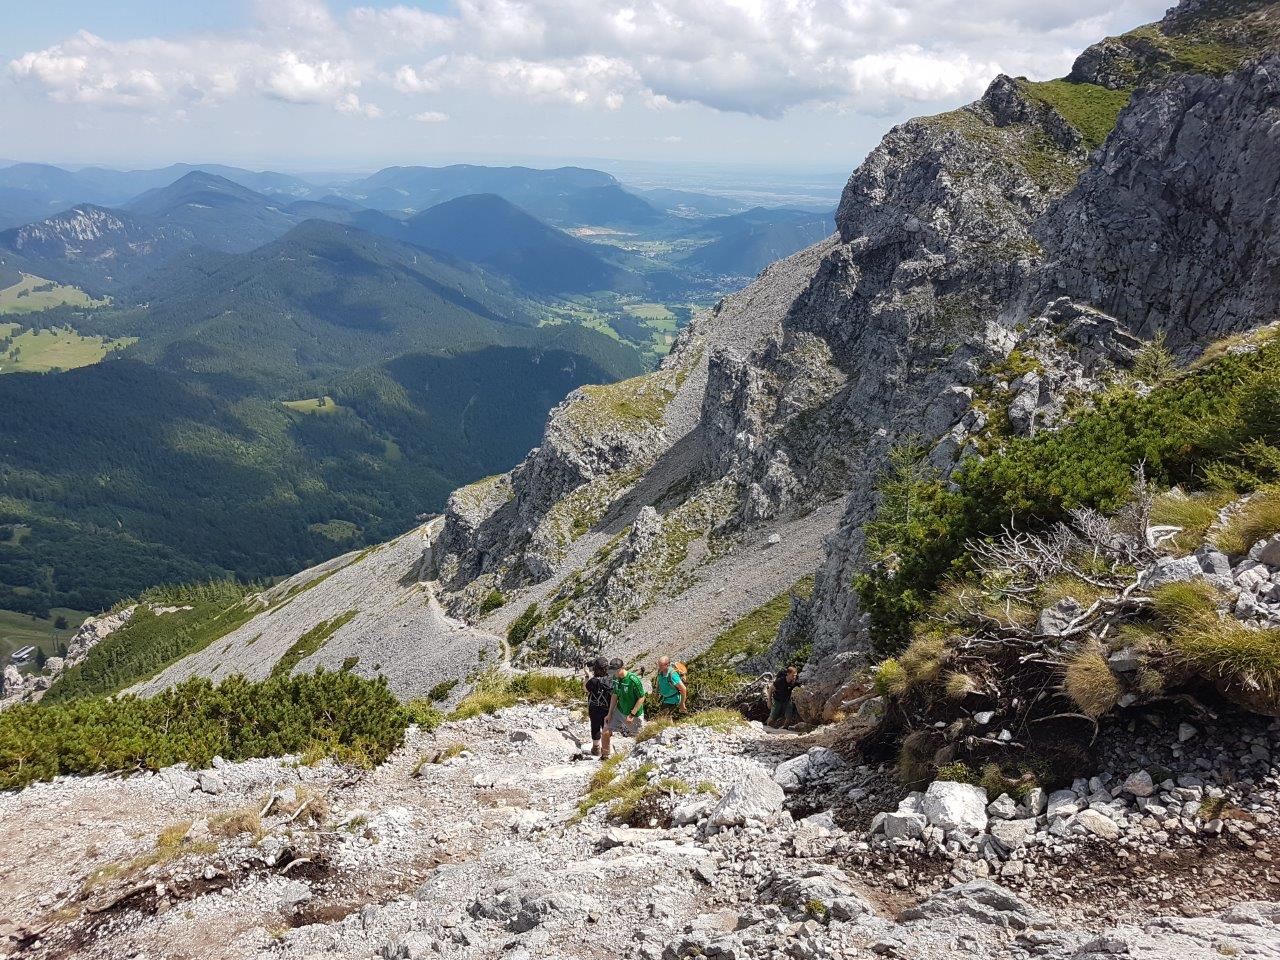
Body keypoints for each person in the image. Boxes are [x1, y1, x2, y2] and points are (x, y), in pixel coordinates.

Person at [600, 658, 645, 760]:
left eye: (616, 670)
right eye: (613, 670)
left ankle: (638, 759)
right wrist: (610, 713)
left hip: (634, 714)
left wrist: (632, 714)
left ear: (622, 668)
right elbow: (615, 695)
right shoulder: (615, 678)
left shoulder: (633, 680)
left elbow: (641, 697)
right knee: (606, 730)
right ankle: (605, 756)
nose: (614, 673)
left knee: (639, 737)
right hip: (619, 711)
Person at [583, 657, 613, 757]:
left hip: (594, 707)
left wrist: (587, 676)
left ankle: (596, 748)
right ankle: (606, 750)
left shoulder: (593, 681)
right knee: (606, 727)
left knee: (595, 726)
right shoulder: (610, 679)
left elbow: (585, 689)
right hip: (607, 707)